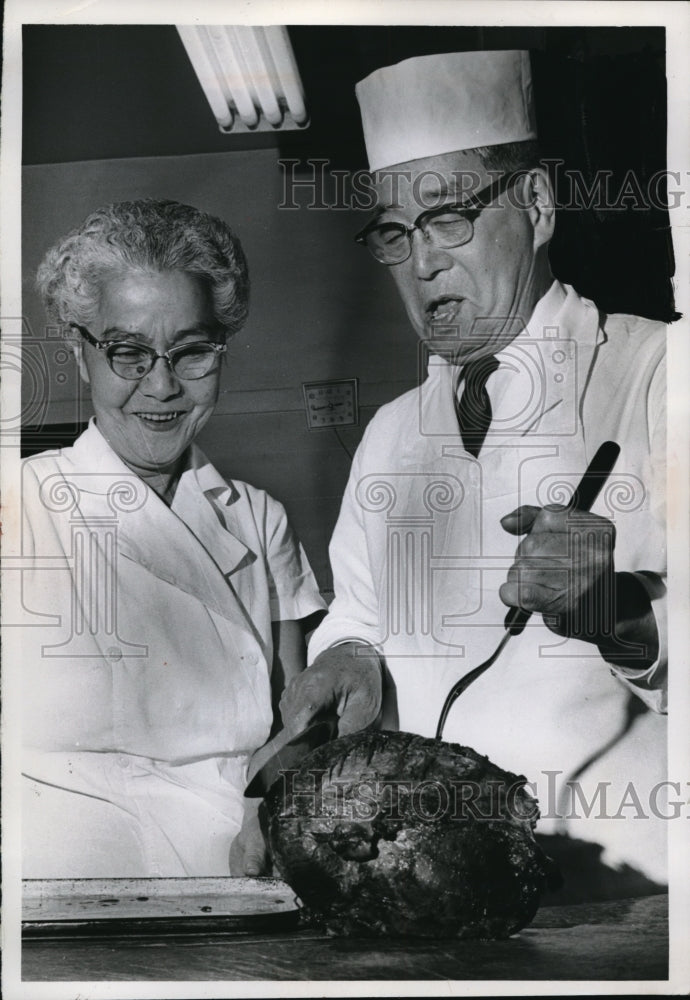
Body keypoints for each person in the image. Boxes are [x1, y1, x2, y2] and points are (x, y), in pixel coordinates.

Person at [281, 51, 668, 889]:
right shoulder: (389, 436)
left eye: (447, 218)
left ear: (535, 205)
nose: (421, 266)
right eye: (394, 233)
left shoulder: (659, 373)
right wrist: (348, 653)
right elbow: (360, 613)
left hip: (632, 897)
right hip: (437, 894)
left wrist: (615, 613)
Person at [21, 199, 326, 878]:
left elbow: (296, 727)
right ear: (79, 351)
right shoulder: (20, 506)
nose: (161, 387)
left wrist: (271, 811)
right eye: (129, 352)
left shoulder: (258, 519)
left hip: (240, 873)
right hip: (57, 878)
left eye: (191, 353)